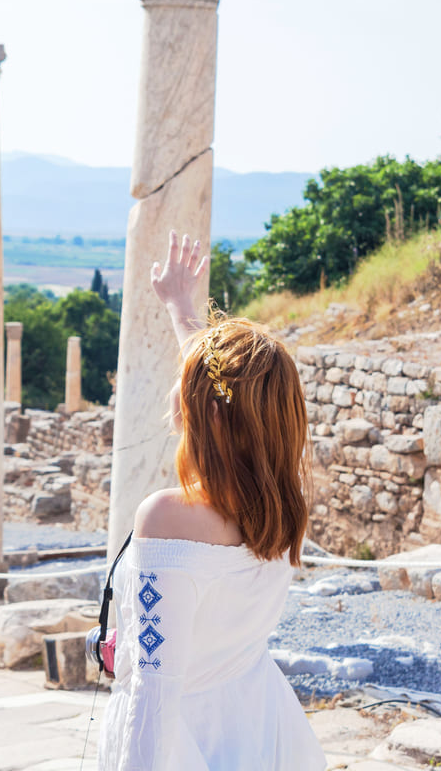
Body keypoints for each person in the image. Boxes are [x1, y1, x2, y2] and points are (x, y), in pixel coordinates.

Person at [97, 231, 326, 770]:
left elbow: (154, 694)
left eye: (185, 385)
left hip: (183, 743)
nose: (175, 391)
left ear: (210, 417)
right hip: (256, 721)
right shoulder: (278, 506)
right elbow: (229, 392)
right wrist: (180, 308)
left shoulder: (165, 517)